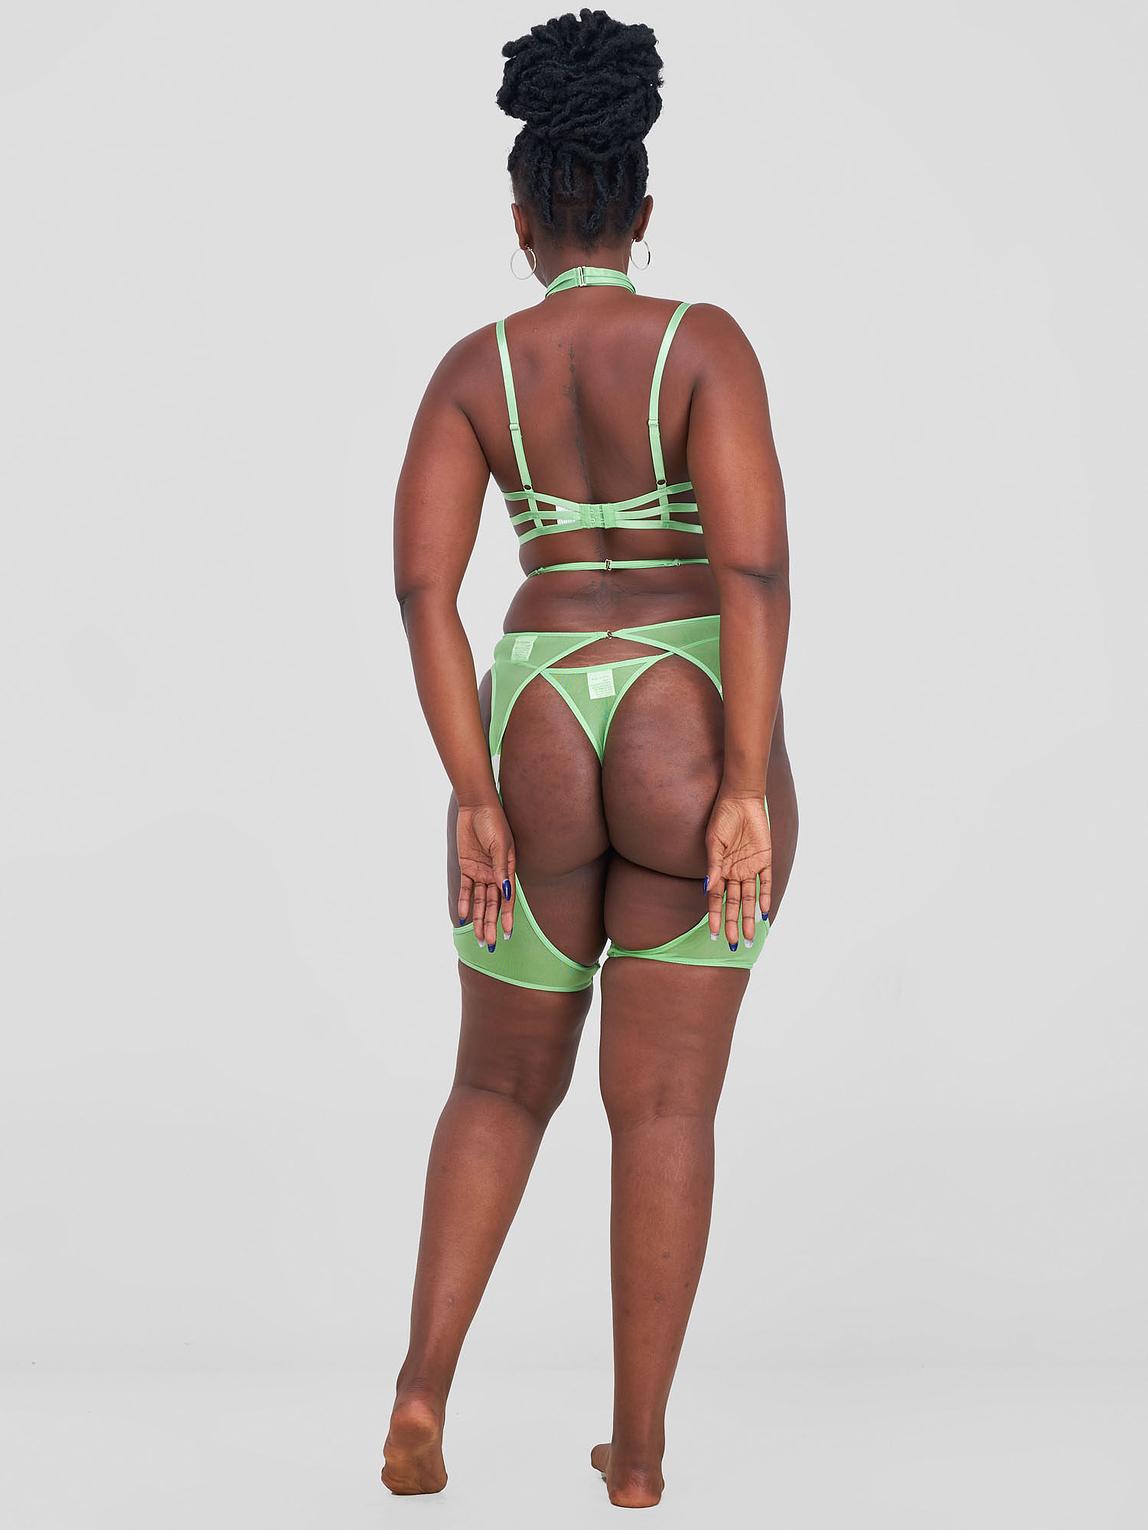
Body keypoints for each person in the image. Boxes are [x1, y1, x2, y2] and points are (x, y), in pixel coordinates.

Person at [385, 8, 798, 1509]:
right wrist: (741, 786)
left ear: (523, 220)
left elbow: (424, 590)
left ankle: (422, 1389)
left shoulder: (472, 371)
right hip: (689, 711)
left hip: (538, 719)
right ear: (640, 206)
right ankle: (636, 1454)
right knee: (665, 1109)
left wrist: (474, 791)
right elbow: (751, 572)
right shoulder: (701, 344)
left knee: (497, 1088)